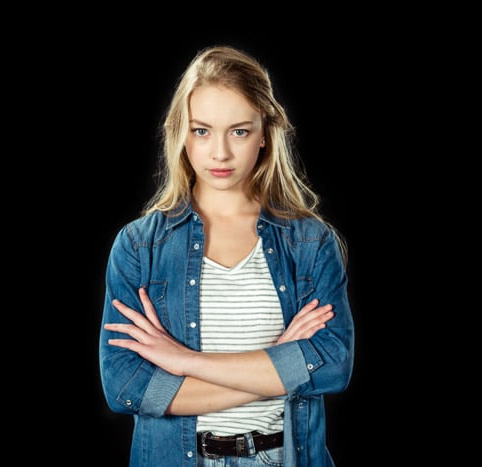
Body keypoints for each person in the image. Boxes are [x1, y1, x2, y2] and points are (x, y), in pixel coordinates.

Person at [99, 44, 355, 466]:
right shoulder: (139, 247)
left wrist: (184, 362)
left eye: (239, 131)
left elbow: (331, 366)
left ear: (265, 134)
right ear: (181, 133)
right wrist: (280, 365)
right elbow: (127, 386)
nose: (220, 153)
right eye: (202, 130)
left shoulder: (310, 243)